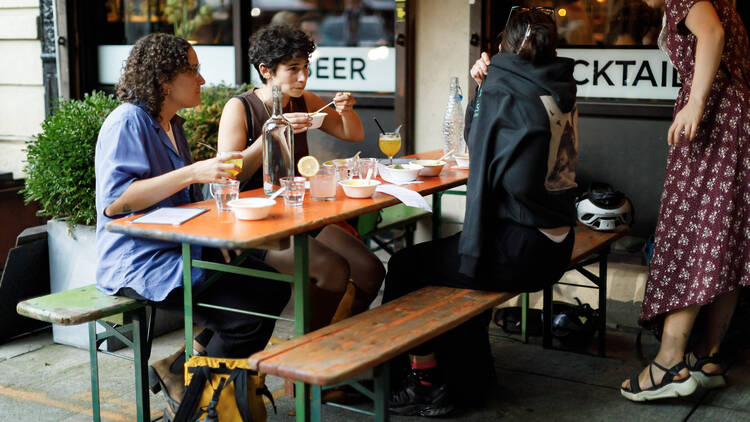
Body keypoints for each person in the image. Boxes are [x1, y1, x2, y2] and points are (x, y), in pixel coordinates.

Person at [383, 8, 578, 416]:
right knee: (449, 260)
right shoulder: (555, 81)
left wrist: (484, 90)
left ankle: (426, 382)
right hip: (557, 241)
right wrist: (485, 87)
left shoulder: (506, 90)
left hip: (524, 247)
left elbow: (480, 143)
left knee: (405, 266)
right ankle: (471, 375)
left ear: (502, 46)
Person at [95, 33, 291, 416]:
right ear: (165, 79)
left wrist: (214, 197)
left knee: (271, 289)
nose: (202, 79)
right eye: (194, 70)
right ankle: (200, 403)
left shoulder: (171, 123)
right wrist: (192, 173)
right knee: (246, 317)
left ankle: (186, 374)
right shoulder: (127, 121)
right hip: (141, 259)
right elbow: (116, 202)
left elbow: (181, 200)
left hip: (180, 246)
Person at [620, 0, 750, 402]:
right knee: (723, 239)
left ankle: (669, 365)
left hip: (716, 118)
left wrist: (695, 104)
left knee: (690, 233)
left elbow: (711, 34)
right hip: (737, 115)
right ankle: (705, 359)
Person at [217, 24, 384, 333]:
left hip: (297, 214)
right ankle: (304, 365)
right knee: (333, 270)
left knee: (370, 270)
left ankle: (331, 343)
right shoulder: (239, 108)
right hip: (255, 224)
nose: (303, 77)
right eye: (293, 69)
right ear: (266, 70)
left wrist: (347, 111)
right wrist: (273, 132)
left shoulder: (303, 99)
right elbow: (228, 176)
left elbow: (353, 133)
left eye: (306, 68)